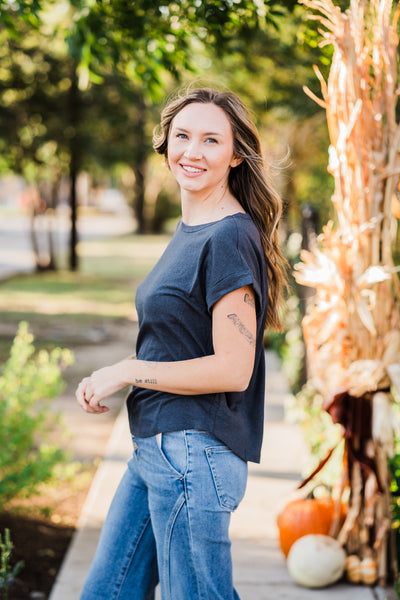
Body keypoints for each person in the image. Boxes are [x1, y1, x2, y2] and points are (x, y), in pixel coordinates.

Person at [76, 86, 287, 600]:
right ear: (165, 142)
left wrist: (126, 370)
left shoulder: (228, 237)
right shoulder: (194, 226)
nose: (192, 151)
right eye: (183, 135)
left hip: (194, 454)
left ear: (236, 154)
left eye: (211, 140)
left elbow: (233, 369)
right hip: (159, 449)